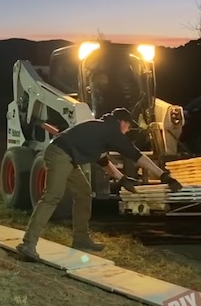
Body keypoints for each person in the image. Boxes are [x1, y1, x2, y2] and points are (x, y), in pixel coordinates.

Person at [15, 107, 184, 261]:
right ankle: (28, 244)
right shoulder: (110, 130)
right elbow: (137, 156)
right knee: (52, 196)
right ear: (122, 122)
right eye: (128, 126)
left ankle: (80, 238)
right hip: (60, 155)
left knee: (84, 192)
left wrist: (122, 179)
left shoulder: (101, 129)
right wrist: (164, 176)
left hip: (68, 157)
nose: (127, 131)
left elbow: (103, 162)